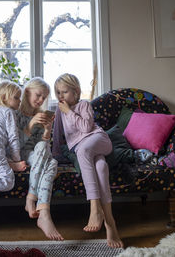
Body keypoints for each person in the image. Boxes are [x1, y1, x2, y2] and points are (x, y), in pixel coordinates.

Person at [52, 73, 123, 248]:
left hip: (99, 140)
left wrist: (69, 112)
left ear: (76, 92)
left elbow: (86, 127)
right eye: (58, 92)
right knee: (100, 168)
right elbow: (57, 134)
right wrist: (55, 156)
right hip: (84, 150)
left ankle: (94, 208)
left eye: (65, 92)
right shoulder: (59, 110)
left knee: (83, 150)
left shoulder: (83, 105)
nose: (61, 96)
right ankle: (110, 223)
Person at [16, 77, 64, 241]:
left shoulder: (40, 114)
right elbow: (15, 143)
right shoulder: (15, 112)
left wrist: (47, 130)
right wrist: (30, 126)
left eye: (44, 97)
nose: (41, 100)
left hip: (37, 153)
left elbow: (41, 144)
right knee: (49, 160)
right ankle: (32, 200)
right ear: (27, 92)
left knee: (52, 162)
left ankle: (43, 211)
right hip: (20, 153)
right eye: (38, 95)